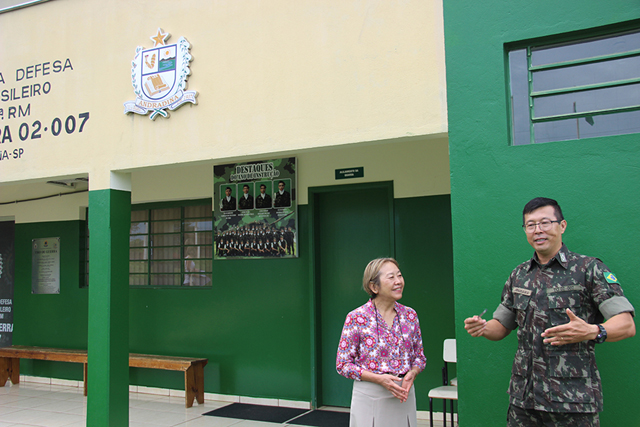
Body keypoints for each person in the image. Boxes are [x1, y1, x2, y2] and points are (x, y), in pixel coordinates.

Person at [464, 197, 635, 426]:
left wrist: (593, 331)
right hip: (524, 401)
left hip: (572, 402)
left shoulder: (588, 269)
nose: (538, 230)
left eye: (545, 222)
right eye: (531, 225)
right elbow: (501, 326)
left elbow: (626, 324)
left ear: (562, 225)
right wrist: (483, 328)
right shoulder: (519, 275)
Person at [337, 258, 426, 427]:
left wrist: (412, 373)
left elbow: (419, 358)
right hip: (369, 397)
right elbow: (343, 364)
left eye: (399, 276)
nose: (398, 281)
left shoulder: (410, 316)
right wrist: (379, 379)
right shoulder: (356, 318)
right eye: (391, 277)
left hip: (403, 396)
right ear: (374, 287)